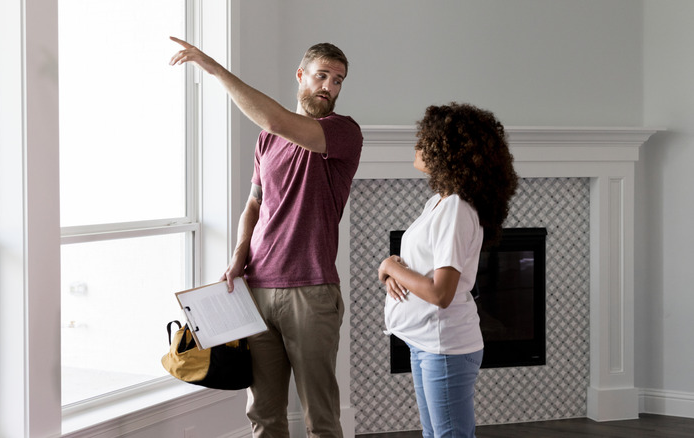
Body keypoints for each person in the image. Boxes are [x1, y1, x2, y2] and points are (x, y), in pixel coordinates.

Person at [170, 37, 362, 438]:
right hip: (256, 290)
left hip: (311, 291)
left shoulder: (342, 132)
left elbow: (276, 119)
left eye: (338, 80)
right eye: (322, 75)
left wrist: (214, 69)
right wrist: (240, 253)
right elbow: (255, 204)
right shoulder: (266, 141)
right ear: (301, 75)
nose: (329, 87)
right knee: (263, 413)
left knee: (321, 418)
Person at [378, 103, 518, 438]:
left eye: (425, 140)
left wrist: (389, 266)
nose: (417, 146)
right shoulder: (438, 202)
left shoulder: (456, 208)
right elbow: (424, 265)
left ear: (448, 151)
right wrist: (395, 269)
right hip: (423, 341)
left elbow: (441, 293)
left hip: (444, 346)